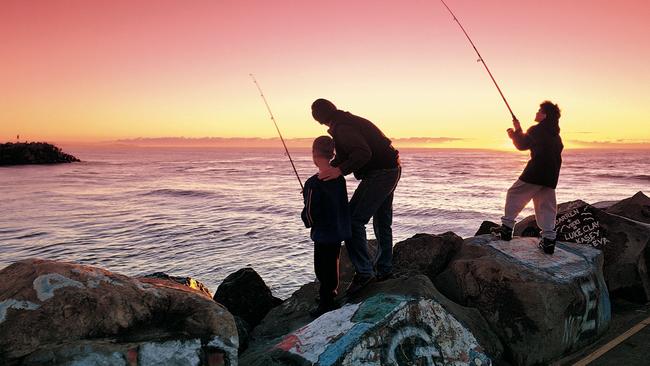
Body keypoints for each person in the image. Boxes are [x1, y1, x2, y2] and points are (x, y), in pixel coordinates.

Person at [311, 98, 401, 295]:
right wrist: (330, 169)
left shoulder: (342, 128)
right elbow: (350, 153)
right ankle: (384, 269)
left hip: (381, 173)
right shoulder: (345, 121)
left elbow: (362, 153)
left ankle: (365, 273)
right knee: (382, 222)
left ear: (317, 119)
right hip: (391, 168)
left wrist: (339, 170)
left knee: (353, 221)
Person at [494, 101, 564, 254]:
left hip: (535, 172)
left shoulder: (537, 130)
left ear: (545, 115)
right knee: (545, 206)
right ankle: (548, 241)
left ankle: (506, 230)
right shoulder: (556, 135)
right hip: (551, 176)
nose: (537, 113)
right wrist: (519, 129)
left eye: (539, 111)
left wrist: (514, 133)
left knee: (514, 194)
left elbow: (522, 144)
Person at [301, 136, 351, 317]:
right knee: (332, 264)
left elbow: (310, 212)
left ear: (314, 154)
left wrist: (307, 222)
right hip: (338, 230)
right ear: (332, 154)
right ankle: (330, 295)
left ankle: (326, 303)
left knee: (322, 268)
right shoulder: (339, 178)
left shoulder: (313, 183)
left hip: (323, 233)